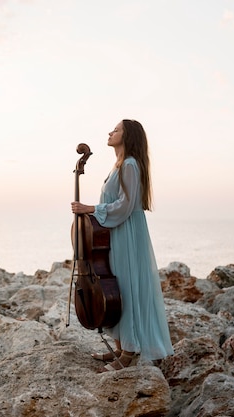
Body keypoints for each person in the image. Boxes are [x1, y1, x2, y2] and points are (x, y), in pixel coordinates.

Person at [71, 119, 174, 373]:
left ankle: (129, 352)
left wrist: (91, 209)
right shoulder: (120, 164)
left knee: (126, 287)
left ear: (127, 137)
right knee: (117, 284)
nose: (110, 132)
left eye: (116, 130)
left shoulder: (129, 164)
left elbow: (125, 205)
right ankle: (119, 347)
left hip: (126, 233)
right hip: (118, 232)